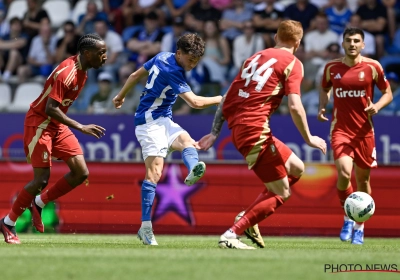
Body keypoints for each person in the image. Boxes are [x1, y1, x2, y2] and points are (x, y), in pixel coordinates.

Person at [197, 20, 327, 249]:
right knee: (282, 191)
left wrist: (214, 132)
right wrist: (309, 138)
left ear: (276, 37)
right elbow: (296, 106)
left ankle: (249, 219)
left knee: (296, 168)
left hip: (244, 127)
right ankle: (231, 234)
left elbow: (227, 97)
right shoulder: (293, 63)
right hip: (254, 129)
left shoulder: (254, 57)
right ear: (298, 43)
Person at [113, 33, 222, 246]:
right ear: (179, 53)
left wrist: (121, 95)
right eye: (190, 60)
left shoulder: (163, 55)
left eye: (196, 61)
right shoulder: (173, 70)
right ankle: (145, 228)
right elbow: (195, 103)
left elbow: (135, 75)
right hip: (148, 123)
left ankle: (192, 169)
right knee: (154, 173)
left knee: (188, 142)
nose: (192, 65)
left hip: (163, 118)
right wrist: (221, 99)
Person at [0, 34, 108, 244]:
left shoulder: (83, 72)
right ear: (87, 53)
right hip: (40, 123)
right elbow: (50, 108)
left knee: (81, 172)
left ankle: (39, 203)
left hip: (56, 125)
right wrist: (80, 126)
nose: (105, 57)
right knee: (41, 179)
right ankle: (8, 222)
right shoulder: (66, 73)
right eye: (101, 53)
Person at [318, 27, 393, 245]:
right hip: (340, 129)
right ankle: (348, 217)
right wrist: (323, 106)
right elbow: (324, 88)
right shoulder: (332, 67)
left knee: (363, 179)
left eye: (356, 41)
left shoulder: (373, 66)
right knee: (343, 173)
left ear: (363, 44)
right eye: (349, 40)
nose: (352, 44)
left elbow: (387, 92)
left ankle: (360, 227)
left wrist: (377, 106)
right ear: (342, 43)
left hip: (364, 131)